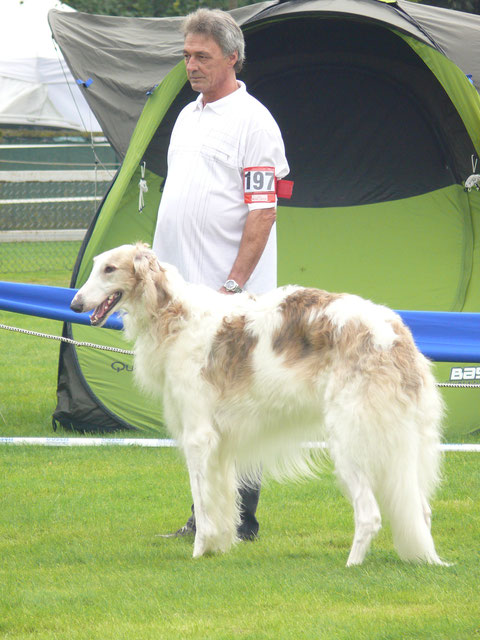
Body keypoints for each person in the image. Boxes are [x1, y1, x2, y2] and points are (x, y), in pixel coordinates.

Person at [152, 7, 289, 540]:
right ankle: (205, 517)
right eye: (187, 56)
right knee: (197, 412)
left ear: (232, 57)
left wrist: (234, 287)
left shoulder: (255, 122)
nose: (191, 66)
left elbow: (263, 210)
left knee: (238, 409)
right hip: (184, 298)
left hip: (232, 298)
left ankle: (242, 520)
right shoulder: (187, 116)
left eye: (202, 56)